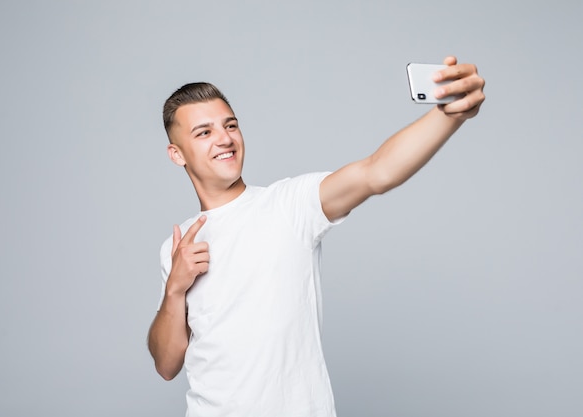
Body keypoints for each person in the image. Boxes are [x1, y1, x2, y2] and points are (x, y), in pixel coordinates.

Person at [148, 56, 485, 417]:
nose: (225, 138)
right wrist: (175, 289)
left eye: (230, 125)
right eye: (204, 132)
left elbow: (376, 172)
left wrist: (449, 115)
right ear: (177, 154)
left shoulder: (288, 205)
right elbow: (167, 365)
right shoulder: (177, 246)